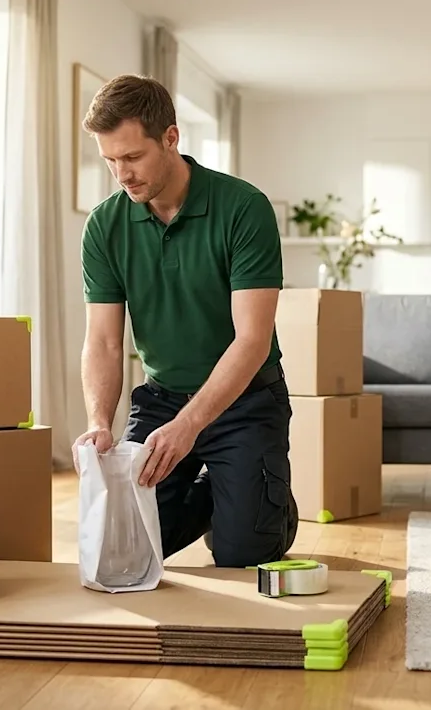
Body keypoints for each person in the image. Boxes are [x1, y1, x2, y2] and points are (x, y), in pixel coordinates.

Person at [70, 74, 298, 568]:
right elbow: (105, 343)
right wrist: (98, 423)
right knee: (126, 550)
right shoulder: (105, 226)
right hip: (161, 398)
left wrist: (190, 427)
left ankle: (262, 496)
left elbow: (253, 341)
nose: (121, 174)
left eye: (132, 157)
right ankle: (236, 484)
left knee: (242, 554)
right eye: (109, 160)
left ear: (170, 138)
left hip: (246, 400)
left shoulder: (242, 208)